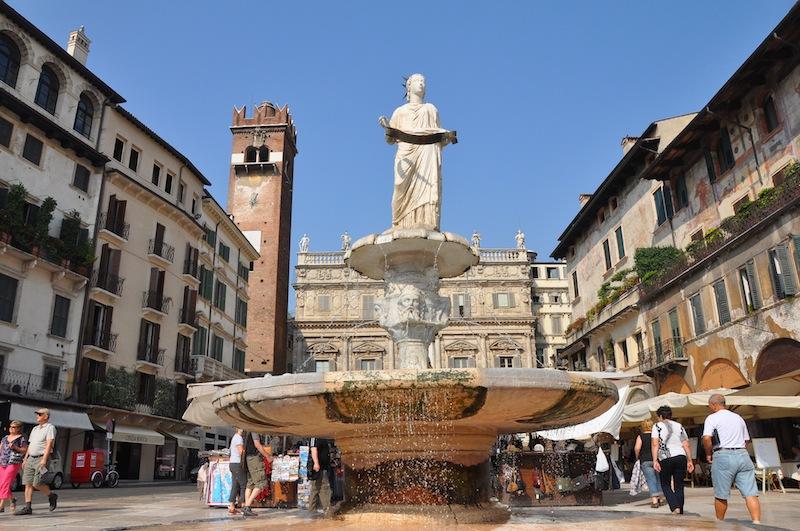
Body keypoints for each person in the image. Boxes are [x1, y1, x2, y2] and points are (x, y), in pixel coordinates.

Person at [379, 73, 455, 231]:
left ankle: (426, 221)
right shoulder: (400, 112)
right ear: (409, 86)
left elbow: (438, 135)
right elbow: (390, 140)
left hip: (427, 151)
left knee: (427, 186)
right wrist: (387, 129)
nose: (421, 84)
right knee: (400, 187)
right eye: (417, 81)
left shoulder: (430, 109)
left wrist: (447, 136)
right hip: (406, 152)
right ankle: (398, 223)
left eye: (423, 81)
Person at [702, 393, 761, 524]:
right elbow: (746, 440)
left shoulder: (712, 418)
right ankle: (757, 522)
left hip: (723, 455)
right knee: (750, 493)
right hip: (742, 454)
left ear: (713, 405)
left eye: (709, 405)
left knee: (721, 494)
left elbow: (706, 438)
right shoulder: (738, 418)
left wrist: (708, 453)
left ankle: (720, 522)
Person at [652, 406, 694, 515]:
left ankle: (675, 507)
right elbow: (686, 444)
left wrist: (655, 460)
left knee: (665, 484)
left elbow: (655, 444)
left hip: (665, 457)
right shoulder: (679, 426)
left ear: (660, 416)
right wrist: (690, 460)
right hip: (681, 456)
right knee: (679, 485)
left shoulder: (657, 426)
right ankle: (680, 509)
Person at [15, 408, 57, 515]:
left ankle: (51, 495)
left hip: (41, 458)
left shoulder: (50, 428)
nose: (37, 416)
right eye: (37, 414)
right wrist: (25, 458)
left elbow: (49, 444)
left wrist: (44, 459)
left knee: (37, 483)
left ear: (46, 416)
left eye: (40, 414)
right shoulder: (35, 429)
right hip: (31, 458)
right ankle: (28, 507)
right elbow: (30, 445)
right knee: (27, 483)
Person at [634, 419, 663, 508]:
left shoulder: (641, 436)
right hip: (657, 459)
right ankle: (660, 498)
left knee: (651, 479)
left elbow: (637, 448)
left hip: (645, 460)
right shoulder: (656, 435)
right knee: (658, 479)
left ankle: (654, 500)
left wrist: (637, 456)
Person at [242, 432, 272, 516]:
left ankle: (246, 507)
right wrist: (267, 456)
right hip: (254, 458)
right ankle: (247, 506)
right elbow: (257, 444)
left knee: (250, 483)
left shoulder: (247, 431)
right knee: (261, 482)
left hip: (249, 458)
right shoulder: (254, 430)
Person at [0, 420, 27, 513]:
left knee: (5, 483)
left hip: (13, 462)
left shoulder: (21, 438)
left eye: (14, 427)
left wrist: (15, 448)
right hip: (3, 462)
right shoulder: (5, 438)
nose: (11, 428)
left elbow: (25, 450)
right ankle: (12, 499)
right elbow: (1, 448)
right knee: (1, 483)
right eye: (10, 426)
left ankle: (1, 505)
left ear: (19, 428)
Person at [307, 437, 333, 515]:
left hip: (322, 467)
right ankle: (328, 511)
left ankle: (312, 511)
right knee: (324, 489)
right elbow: (313, 449)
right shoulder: (314, 437)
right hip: (319, 468)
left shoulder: (321, 436)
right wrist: (316, 463)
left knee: (315, 489)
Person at [227, 428, 247, 516]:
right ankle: (243, 506)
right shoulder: (239, 438)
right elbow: (241, 452)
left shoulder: (234, 437)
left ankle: (232, 507)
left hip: (232, 463)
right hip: (237, 464)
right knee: (243, 485)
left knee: (235, 485)